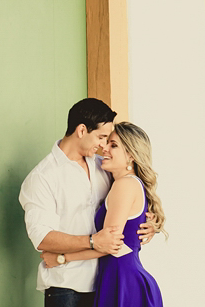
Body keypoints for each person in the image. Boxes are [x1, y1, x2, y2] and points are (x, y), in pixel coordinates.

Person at [19, 99, 156, 307]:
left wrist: (149, 223)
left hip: (105, 283)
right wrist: (92, 241)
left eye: (109, 141)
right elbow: (42, 237)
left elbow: (132, 201)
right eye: (101, 137)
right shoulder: (43, 177)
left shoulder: (105, 167)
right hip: (67, 287)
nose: (103, 146)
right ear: (82, 130)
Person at [41, 122, 166, 307]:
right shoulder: (126, 183)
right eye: (106, 142)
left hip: (123, 281)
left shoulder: (124, 185)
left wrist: (61, 258)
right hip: (118, 278)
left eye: (113, 145)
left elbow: (108, 245)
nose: (104, 148)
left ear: (131, 155)